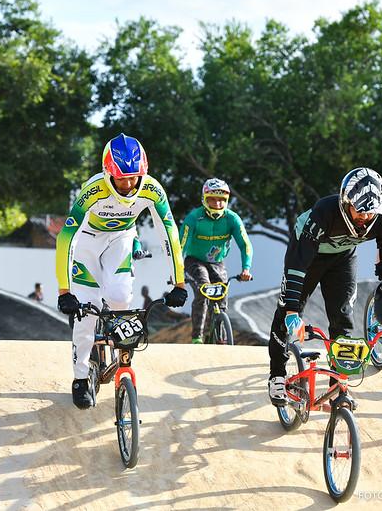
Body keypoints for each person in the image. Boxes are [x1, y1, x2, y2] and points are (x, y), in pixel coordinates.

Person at [55, 133, 188, 409]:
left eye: (133, 178)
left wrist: (179, 282)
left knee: (120, 299)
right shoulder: (93, 191)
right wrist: (65, 290)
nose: (128, 185)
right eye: (121, 179)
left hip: (121, 239)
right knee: (86, 312)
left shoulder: (152, 189)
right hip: (87, 242)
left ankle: (120, 352)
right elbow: (66, 236)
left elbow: (169, 232)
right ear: (107, 174)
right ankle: (80, 377)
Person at [267, 168, 382, 406]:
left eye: (371, 213)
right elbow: (296, 265)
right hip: (307, 257)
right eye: (360, 212)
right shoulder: (324, 212)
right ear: (346, 203)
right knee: (286, 313)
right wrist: (292, 310)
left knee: (343, 318)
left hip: (342, 257)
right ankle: (277, 375)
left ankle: (338, 383)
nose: (365, 218)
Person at [179, 178, 253, 343]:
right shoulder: (194, 217)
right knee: (203, 289)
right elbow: (180, 246)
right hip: (194, 261)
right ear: (204, 199)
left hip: (218, 263)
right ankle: (197, 336)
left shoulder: (232, 218)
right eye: (212, 198)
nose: (217, 203)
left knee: (221, 294)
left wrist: (246, 269)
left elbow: (245, 245)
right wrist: (176, 272)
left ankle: (220, 336)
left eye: (222, 199)